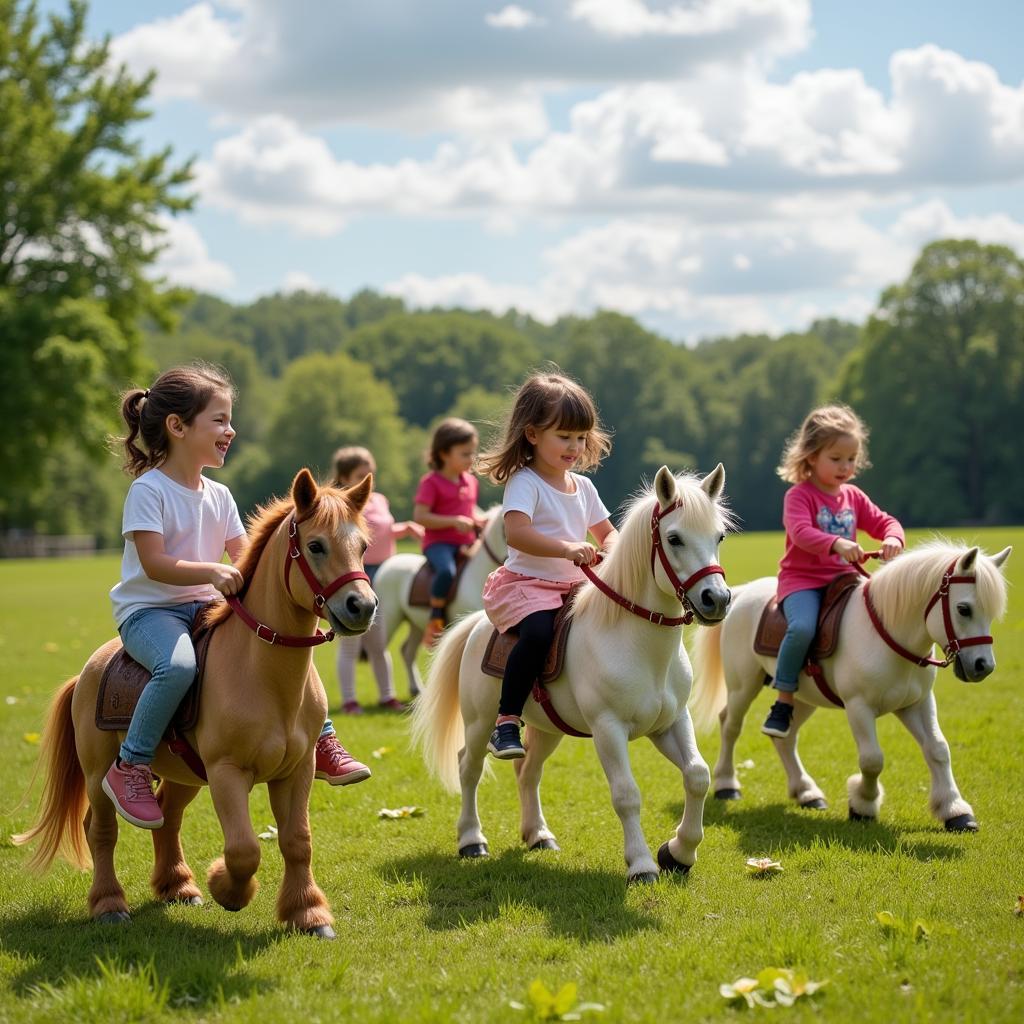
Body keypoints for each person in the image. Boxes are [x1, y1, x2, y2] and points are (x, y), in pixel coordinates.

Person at [104, 366, 367, 831]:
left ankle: (321, 737)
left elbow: (243, 560)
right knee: (178, 666)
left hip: (206, 605)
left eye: (230, 420)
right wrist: (211, 572)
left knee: (285, 647)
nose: (232, 431)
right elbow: (154, 563)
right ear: (178, 427)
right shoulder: (148, 491)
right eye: (220, 420)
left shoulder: (219, 494)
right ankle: (132, 764)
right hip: (152, 611)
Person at [477, 371, 617, 759]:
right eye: (564, 436)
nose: (574, 446)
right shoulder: (525, 482)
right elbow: (517, 534)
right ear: (533, 434)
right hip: (527, 585)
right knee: (538, 633)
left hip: (573, 589)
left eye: (580, 437)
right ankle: (506, 721)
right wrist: (568, 548)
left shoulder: (584, 487)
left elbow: (609, 533)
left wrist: (612, 549)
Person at [763, 403, 905, 739]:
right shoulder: (799, 496)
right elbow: (800, 533)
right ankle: (783, 700)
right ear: (812, 456)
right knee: (801, 628)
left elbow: (886, 521)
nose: (846, 466)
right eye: (836, 458)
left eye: (852, 458)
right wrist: (836, 544)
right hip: (803, 583)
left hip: (846, 581)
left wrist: (892, 538)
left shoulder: (853, 496)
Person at [331, 445, 423, 713]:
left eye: (371, 472)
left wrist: (401, 530)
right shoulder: (342, 504)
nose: (368, 478)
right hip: (357, 574)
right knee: (350, 644)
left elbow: (379, 532)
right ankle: (349, 700)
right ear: (346, 477)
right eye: (361, 473)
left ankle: (387, 696)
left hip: (384, 574)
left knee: (378, 643)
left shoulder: (380, 499)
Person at [412, 418, 487, 648]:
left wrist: (479, 519)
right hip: (439, 544)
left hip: (466, 542)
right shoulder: (431, 483)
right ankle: (436, 616)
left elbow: (469, 508)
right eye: (465, 454)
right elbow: (421, 516)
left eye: (472, 452)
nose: (471, 459)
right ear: (444, 454)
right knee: (446, 571)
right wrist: (454, 522)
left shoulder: (471, 482)